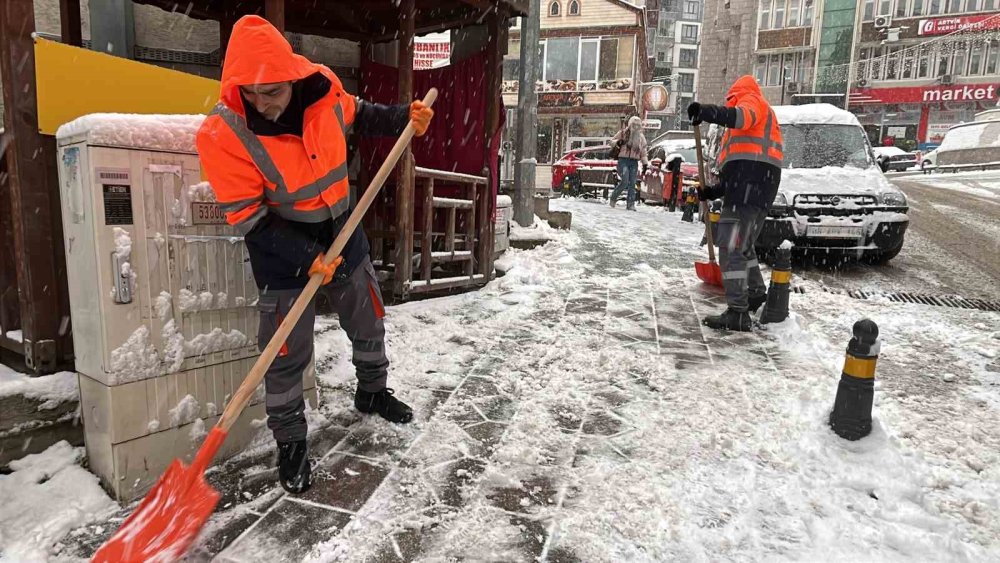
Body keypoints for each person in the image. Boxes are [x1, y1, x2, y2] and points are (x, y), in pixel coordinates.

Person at [196, 15, 434, 494]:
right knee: (286, 353)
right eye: (253, 94)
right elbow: (250, 220)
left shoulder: (322, 87)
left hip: (344, 229)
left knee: (368, 319)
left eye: (274, 92)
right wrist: (305, 256)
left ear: (292, 77)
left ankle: (372, 392)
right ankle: (291, 442)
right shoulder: (222, 134)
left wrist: (403, 118)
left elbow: (360, 113)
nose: (263, 104)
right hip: (281, 250)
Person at [687, 75, 783, 331]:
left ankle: (738, 312)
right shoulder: (760, 119)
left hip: (749, 190)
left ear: (735, 95)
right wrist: (714, 191)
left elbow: (740, 117)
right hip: (756, 188)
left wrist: (706, 111)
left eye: (730, 100)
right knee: (745, 247)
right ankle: (754, 294)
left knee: (730, 248)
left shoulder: (752, 101)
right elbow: (743, 167)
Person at [609, 116, 649, 211]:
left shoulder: (641, 137)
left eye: (638, 125)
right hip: (623, 160)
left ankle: (630, 204)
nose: (635, 127)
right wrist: (618, 142)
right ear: (630, 124)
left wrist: (645, 164)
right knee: (625, 181)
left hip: (634, 162)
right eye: (634, 125)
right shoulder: (623, 133)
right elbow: (611, 142)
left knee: (632, 183)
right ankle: (613, 197)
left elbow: (643, 151)